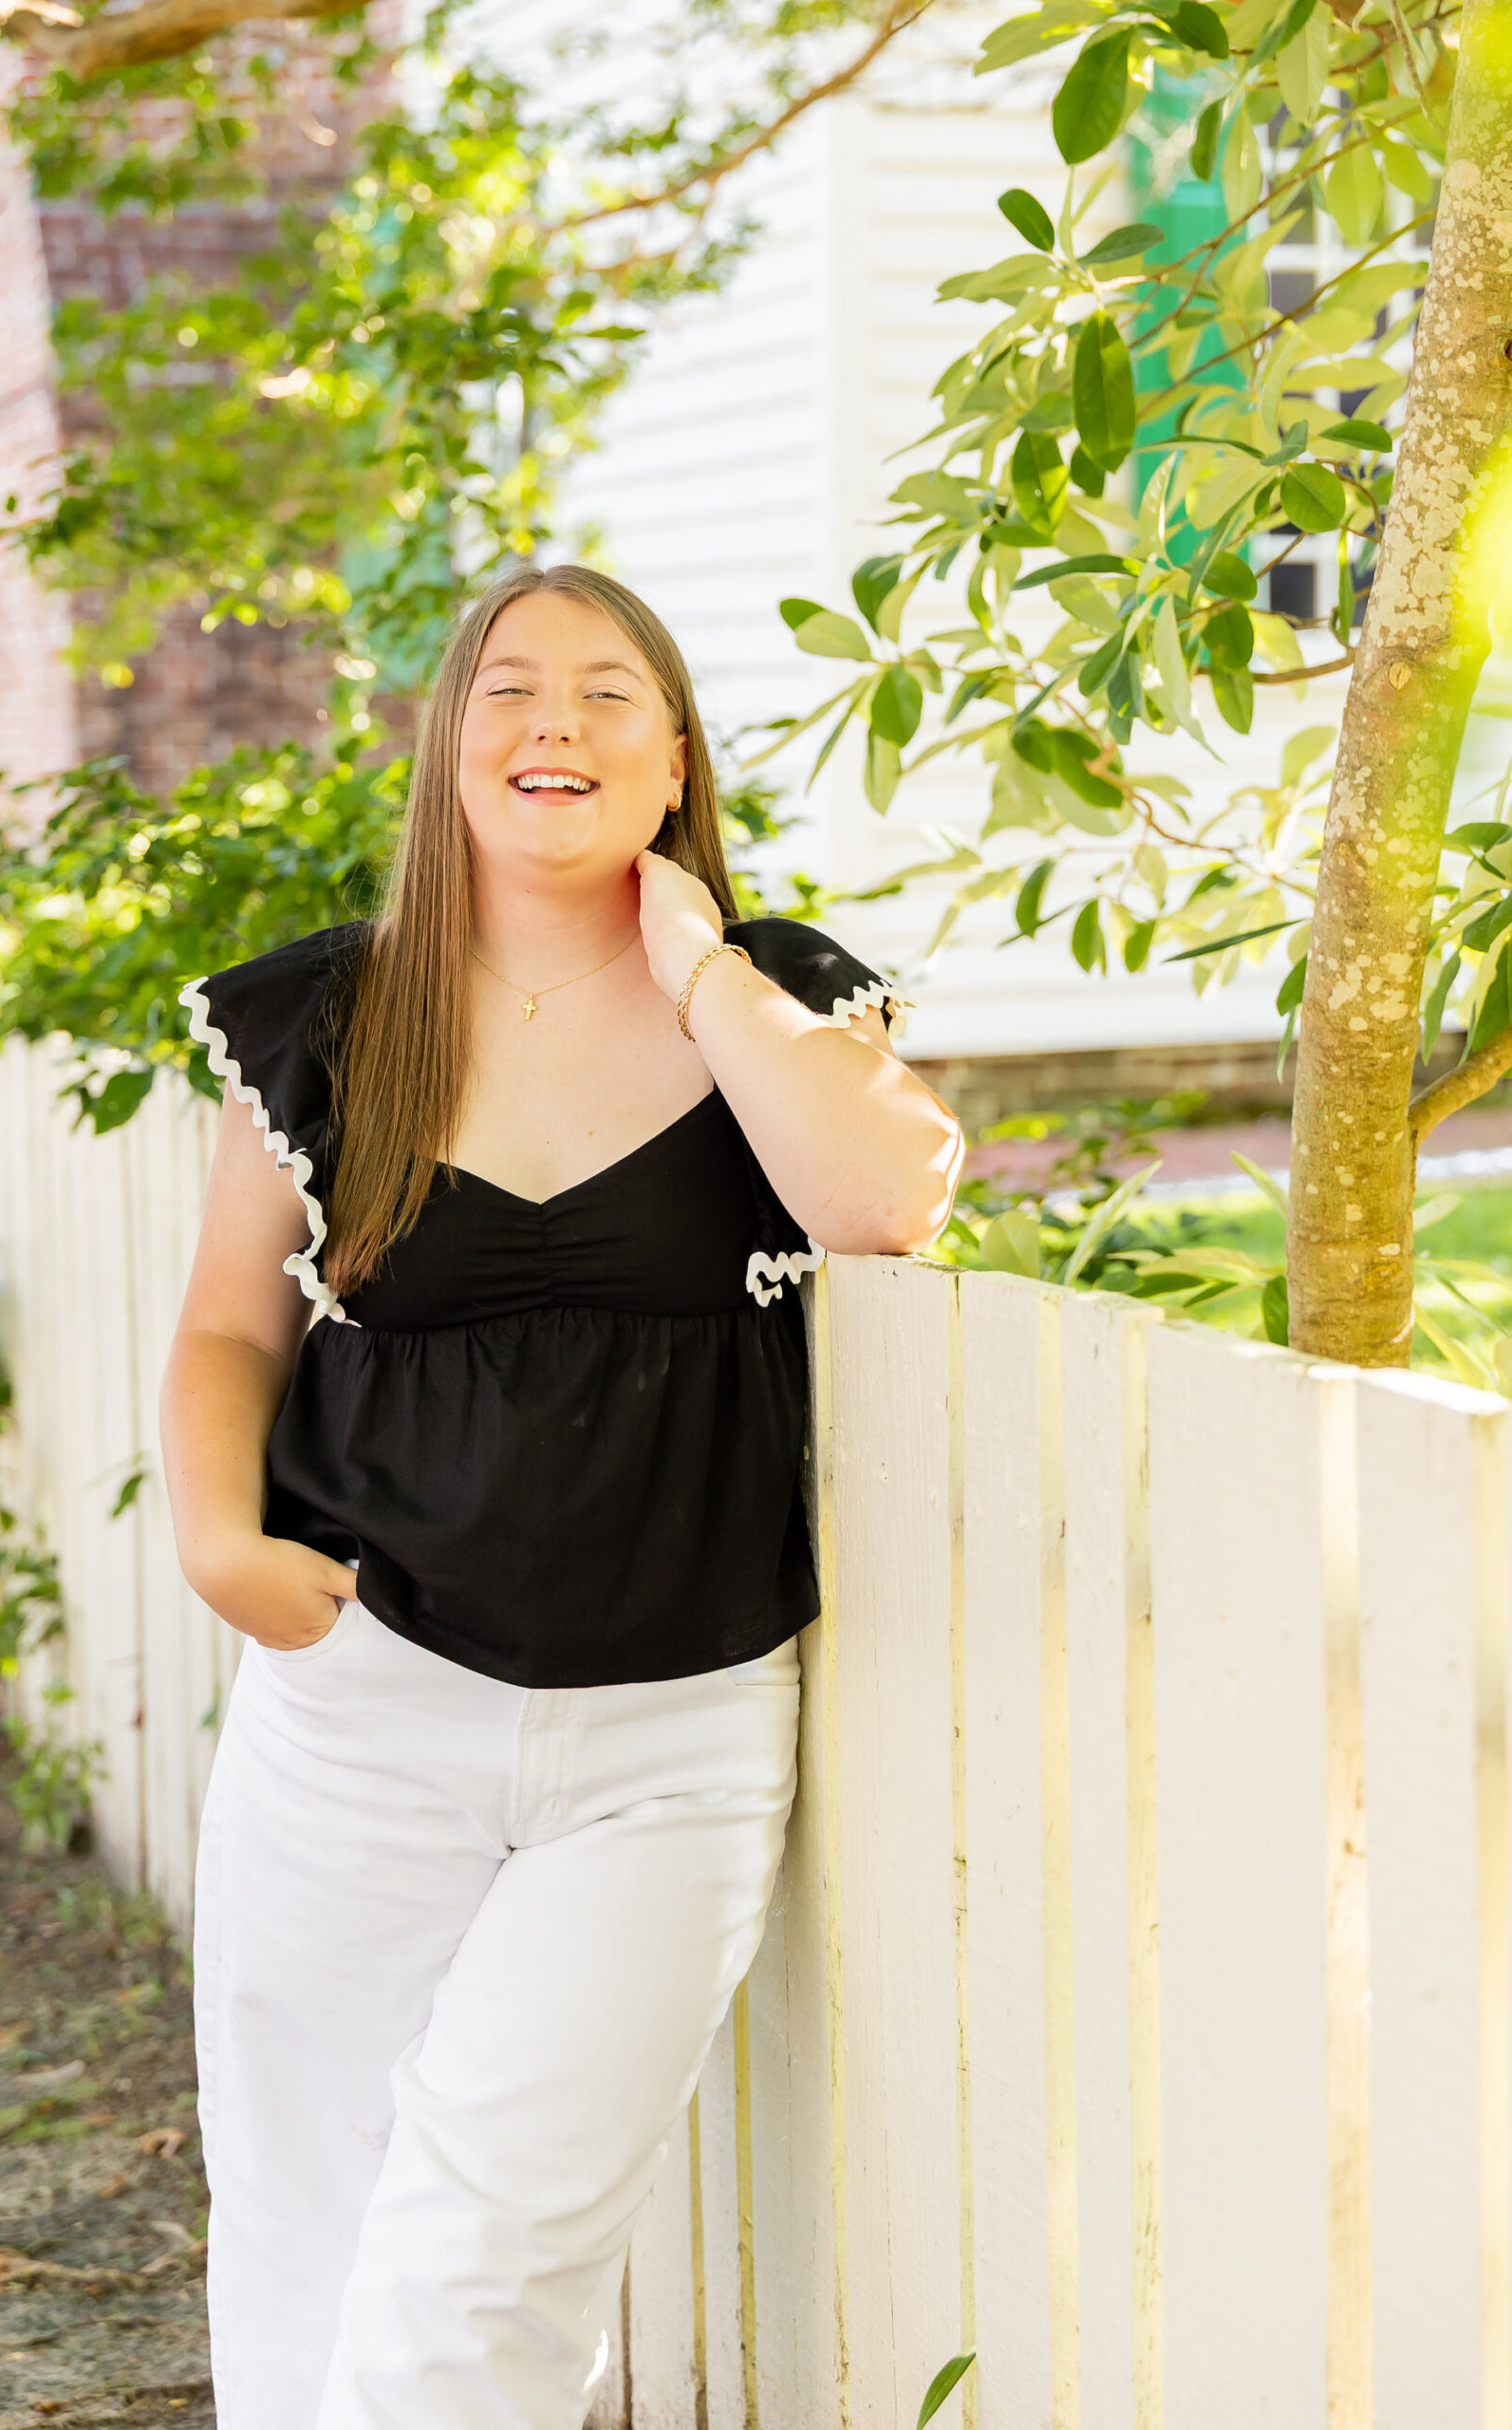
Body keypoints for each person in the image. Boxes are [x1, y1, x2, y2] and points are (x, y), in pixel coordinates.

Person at [159, 562, 963, 2430]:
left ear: (671, 753)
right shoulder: (332, 1022)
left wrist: (693, 957)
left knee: (491, 2249)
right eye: (508, 687)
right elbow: (222, 1326)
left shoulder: (776, 1002)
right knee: (311, 2214)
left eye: (611, 693)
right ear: (445, 745)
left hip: (664, 1737)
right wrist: (218, 1538)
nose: (555, 724)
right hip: (359, 1709)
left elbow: (881, 1198)